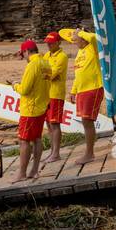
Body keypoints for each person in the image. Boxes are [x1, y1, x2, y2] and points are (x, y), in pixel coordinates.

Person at [62, 27, 104, 165]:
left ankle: (89, 153)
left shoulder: (92, 47)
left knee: (87, 120)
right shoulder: (80, 52)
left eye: (76, 38)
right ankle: (89, 152)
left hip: (93, 87)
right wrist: (73, 91)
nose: (74, 41)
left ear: (82, 36)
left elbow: (93, 37)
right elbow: (78, 74)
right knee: (85, 121)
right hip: (82, 90)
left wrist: (79, 32)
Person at [11, 39, 50, 182]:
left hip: (30, 109)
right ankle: (34, 170)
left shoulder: (32, 65)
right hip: (42, 106)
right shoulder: (46, 63)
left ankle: (21, 173)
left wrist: (15, 85)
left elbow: (25, 90)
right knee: (37, 139)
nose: (24, 58)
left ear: (27, 52)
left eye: (23, 55)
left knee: (24, 140)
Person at [42, 31, 69, 164]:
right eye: (48, 43)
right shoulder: (47, 55)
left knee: (55, 123)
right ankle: (52, 151)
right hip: (46, 93)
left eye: (51, 43)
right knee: (48, 123)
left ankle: (56, 153)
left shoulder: (62, 56)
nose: (49, 45)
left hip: (56, 94)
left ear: (58, 43)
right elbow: (43, 71)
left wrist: (47, 73)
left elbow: (51, 74)